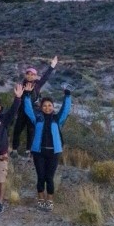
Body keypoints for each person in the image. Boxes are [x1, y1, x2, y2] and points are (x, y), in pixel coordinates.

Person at [23, 83, 72, 212]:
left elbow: (66, 110)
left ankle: (49, 200)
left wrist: (67, 95)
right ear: (41, 107)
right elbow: (28, 110)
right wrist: (27, 94)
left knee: (49, 178)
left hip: (53, 153)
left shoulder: (57, 119)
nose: (47, 107)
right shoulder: (37, 118)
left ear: (53, 107)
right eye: (44, 105)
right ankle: (40, 199)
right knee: (40, 177)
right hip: (38, 152)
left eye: (50, 105)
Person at [12, 56, 58, 156]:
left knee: (31, 131)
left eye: (32, 74)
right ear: (25, 75)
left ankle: (29, 151)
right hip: (21, 112)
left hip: (32, 112)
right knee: (17, 130)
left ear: (35, 76)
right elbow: (17, 99)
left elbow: (46, 76)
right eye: (28, 74)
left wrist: (52, 65)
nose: (30, 76)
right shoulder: (20, 85)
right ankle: (14, 150)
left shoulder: (37, 85)